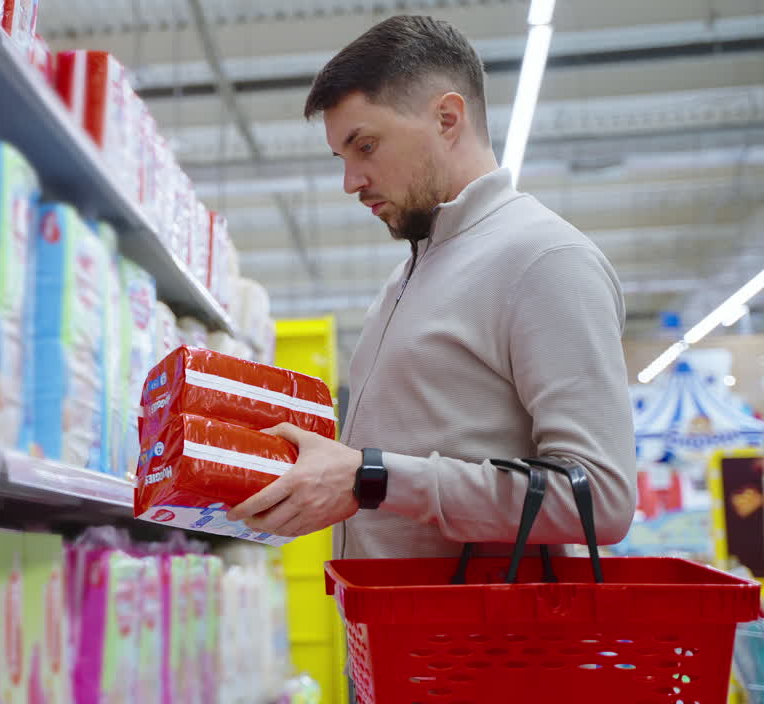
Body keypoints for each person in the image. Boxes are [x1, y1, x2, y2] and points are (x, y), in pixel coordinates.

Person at [226, 15, 637, 559]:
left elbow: (601, 498)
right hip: (401, 637)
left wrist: (372, 477)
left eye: (365, 146)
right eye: (342, 158)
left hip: (485, 641)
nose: (350, 182)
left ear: (447, 119)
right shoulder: (405, 280)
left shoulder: (545, 259)